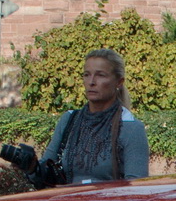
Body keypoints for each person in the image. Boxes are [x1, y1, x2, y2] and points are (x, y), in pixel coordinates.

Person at [40, 49, 150, 184]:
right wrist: (31, 167)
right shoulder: (69, 120)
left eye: (100, 75)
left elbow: (136, 188)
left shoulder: (130, 128)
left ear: (119, 82)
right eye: (87, 75)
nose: (91, 82)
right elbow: (44, 174)